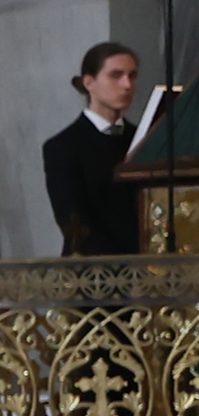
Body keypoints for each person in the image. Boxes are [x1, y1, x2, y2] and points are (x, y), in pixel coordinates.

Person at [41, 40, 144, 256]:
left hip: (148, 272)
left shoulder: (143, 139)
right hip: (93, 274)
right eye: (116, 75)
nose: (127, 84)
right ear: (89, 83)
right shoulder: (63, 147)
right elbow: (74, 221)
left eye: (132, 76)